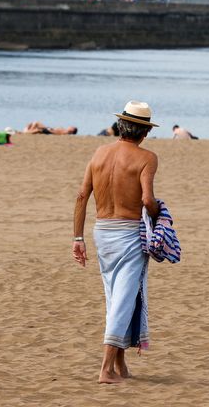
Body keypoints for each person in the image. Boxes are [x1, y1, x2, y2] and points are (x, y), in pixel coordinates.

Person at [73, 101, 159, 384]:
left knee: (117, 296)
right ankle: (106, 369)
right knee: (123, 298)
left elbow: (82, 196)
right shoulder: (147, 157)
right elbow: (147, 199)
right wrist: (160, 214)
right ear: (144, 131)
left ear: (120, 126)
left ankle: (120, 366)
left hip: (102, 231)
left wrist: (78, 238)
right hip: (128, 232)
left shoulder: (99, 153)